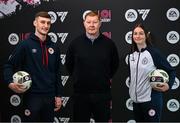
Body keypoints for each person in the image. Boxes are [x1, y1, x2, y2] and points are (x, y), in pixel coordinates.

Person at [3, 11, 63, 122]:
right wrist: (10, 82)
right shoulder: (25, 45)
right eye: (42, 22)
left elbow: (58, 72)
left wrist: (58, 95)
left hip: (49, 97)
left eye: (48, 23)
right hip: (32, 97)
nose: (45, 26)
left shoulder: (54, 47)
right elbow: (9, 65)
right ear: (35, 23)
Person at [65, 10, 119, 122]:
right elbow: (69, 65)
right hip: (81, 95)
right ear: (84, 23)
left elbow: (114, 65)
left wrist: (102, 78)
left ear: (100, 23)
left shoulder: (109, 44)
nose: (92, 25)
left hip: (102, 95)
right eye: (89, 22)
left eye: (95, 22)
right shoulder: (75, 44)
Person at [128, 23, 176, 122]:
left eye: (141, 33)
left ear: (146, 35)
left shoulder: (153, 53)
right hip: (136, 101)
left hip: (151, 100)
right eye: (135, 33)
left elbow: (171, 70)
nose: (137, 36)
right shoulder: (132, 55)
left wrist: (168, 85)